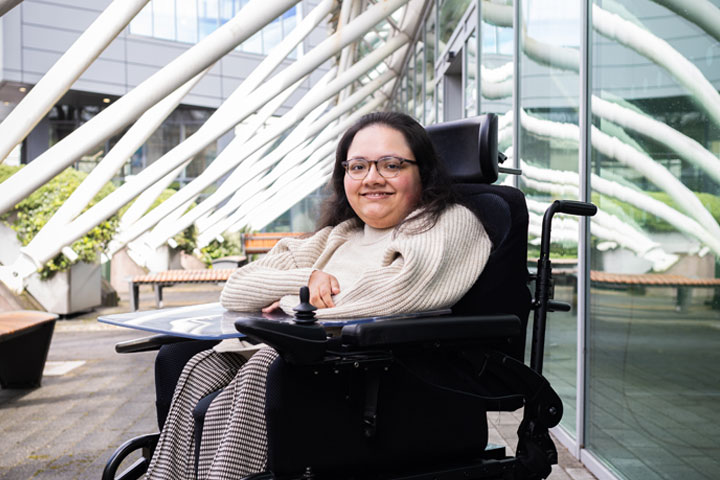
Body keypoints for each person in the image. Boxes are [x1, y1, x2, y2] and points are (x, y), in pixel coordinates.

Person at [144, 112, 492, 480]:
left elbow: (391, 295)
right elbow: (237, 289)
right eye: (357, 166)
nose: (372, 178)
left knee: (268, 364)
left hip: (381, 380)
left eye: (391, 165)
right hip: (316, 365)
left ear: (423, 172)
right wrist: (307, 279)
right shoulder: (338, 236)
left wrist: (293, 302)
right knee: (187, 360)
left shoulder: (448, 223)